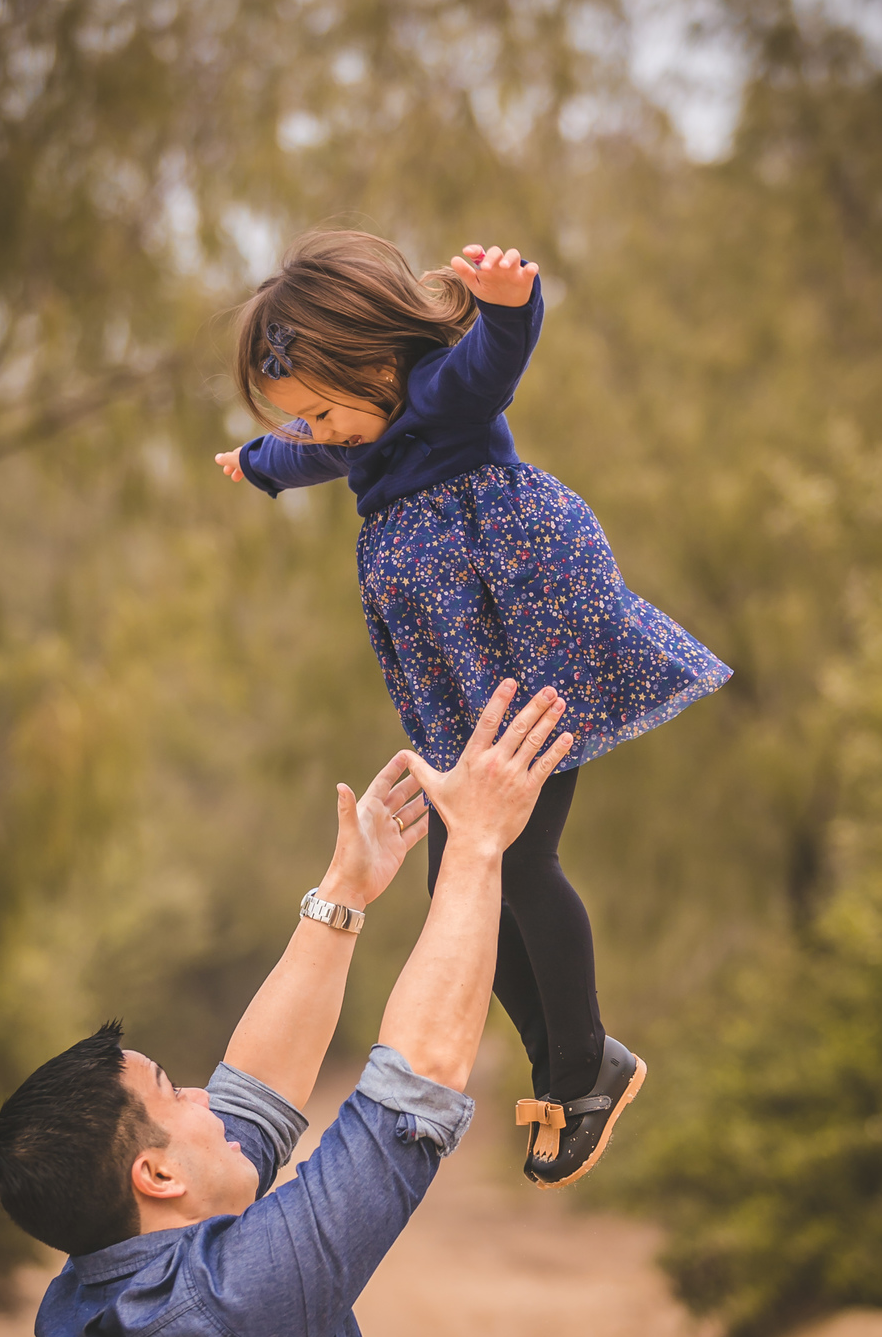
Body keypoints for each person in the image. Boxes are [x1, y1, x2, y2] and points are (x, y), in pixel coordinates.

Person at [0, 680, 571, 1337]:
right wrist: (475, 849)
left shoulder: (97, 1295)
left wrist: (343, 896)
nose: (209, 1089)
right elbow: (413, 1090)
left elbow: (250, 1112)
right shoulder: (235, 1301)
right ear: (155, 1173)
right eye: (176, 1091)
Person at [216, 230, 732, 1187]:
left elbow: (497, 361)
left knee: (520, 861)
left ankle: (580, 1067)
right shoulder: (352, 435)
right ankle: (576, 1063)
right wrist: (257, 464)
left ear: (376, 363)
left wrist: (507, 303)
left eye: (324, 412)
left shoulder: (437, 398)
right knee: (461, 888)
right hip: (460, 687)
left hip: (525, 646)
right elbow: (304, 458)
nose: (320, 434)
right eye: (304, 421)